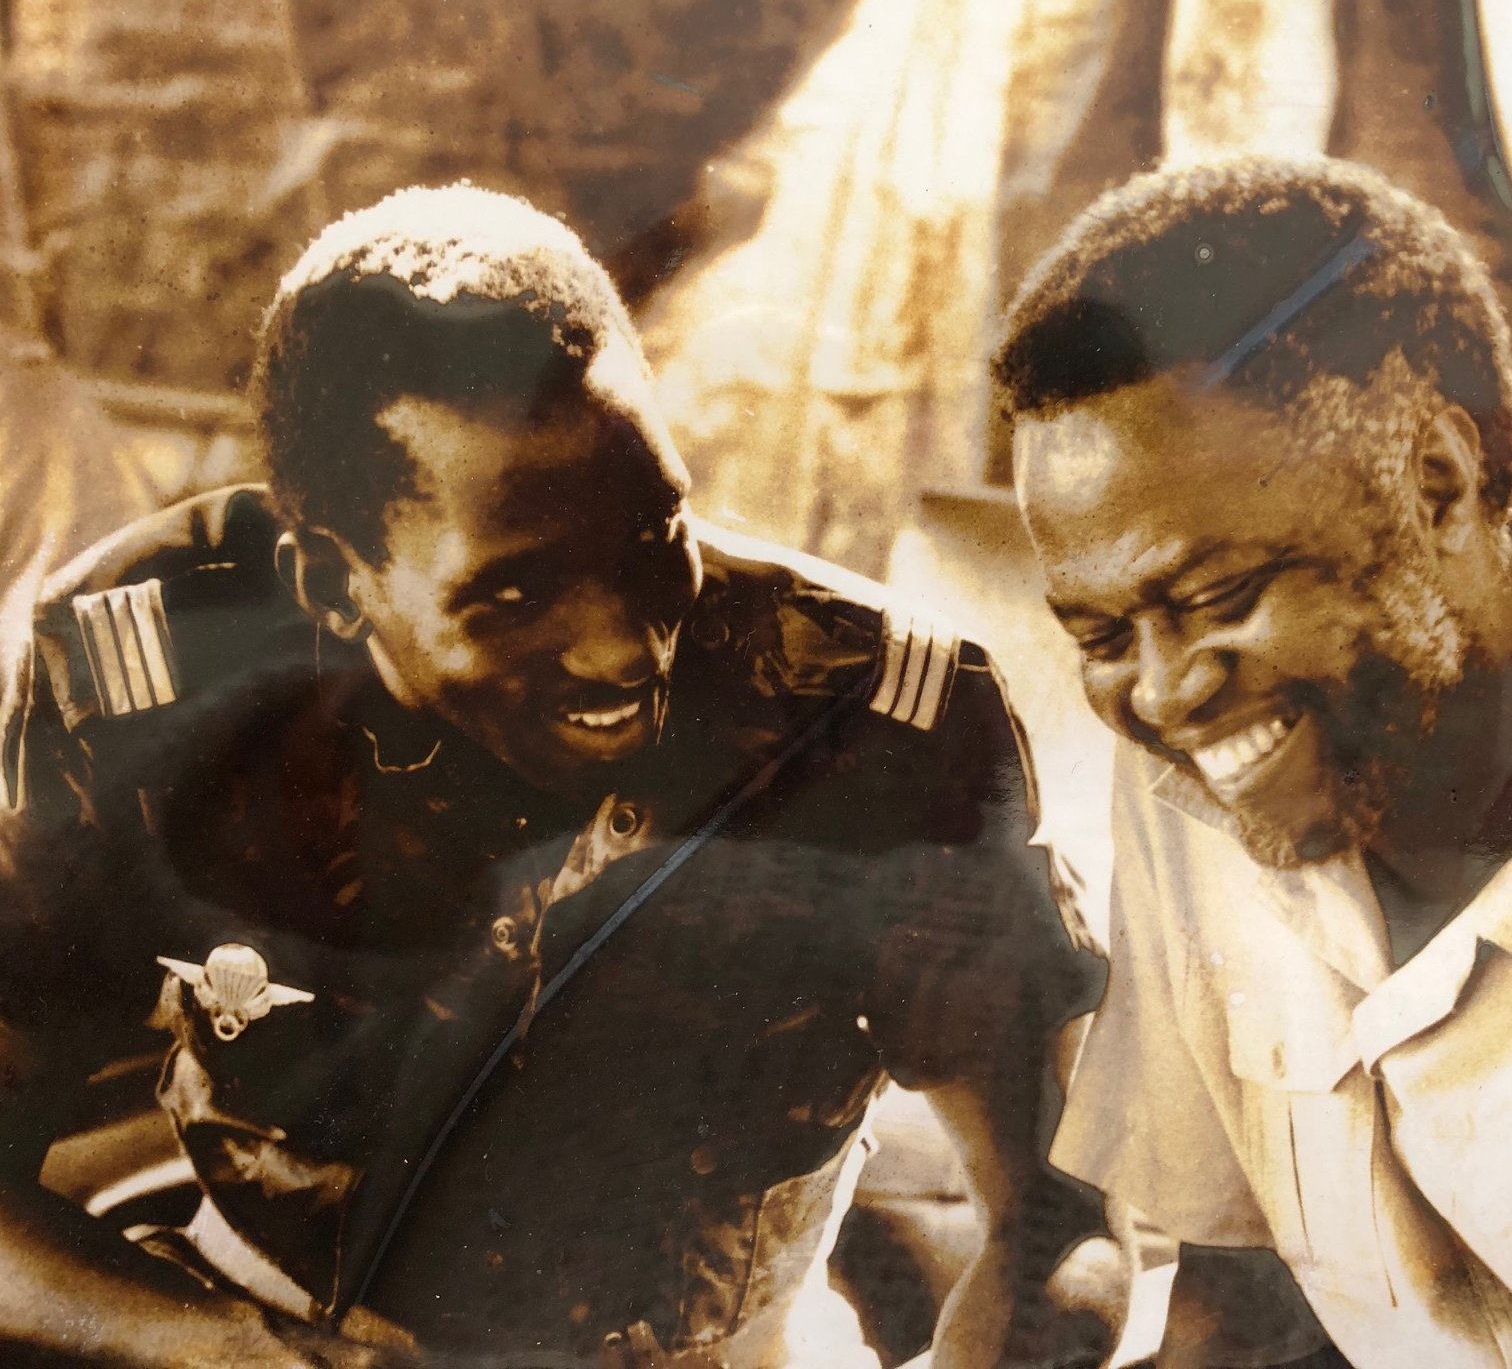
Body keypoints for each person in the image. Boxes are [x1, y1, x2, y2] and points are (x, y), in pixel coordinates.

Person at [0, 184, 1102, 1367]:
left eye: (655, 537)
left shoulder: (874, 720)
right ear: (331, 581)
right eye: (514, 593)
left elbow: (1058, 1226)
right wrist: (225, 1347)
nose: (628, 645)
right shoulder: (154, 684)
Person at [996, 154, 1512, 1366]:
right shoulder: (1206, 769)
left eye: (1220, 594)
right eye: (1102, 634)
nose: (1167, 688)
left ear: (1435, 483)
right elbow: (1239, 1311)